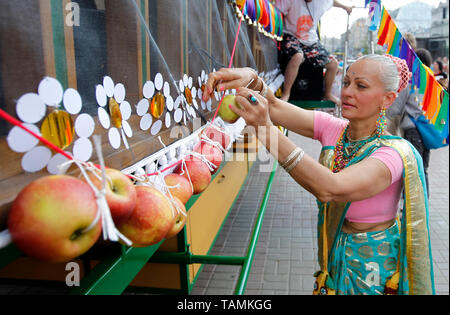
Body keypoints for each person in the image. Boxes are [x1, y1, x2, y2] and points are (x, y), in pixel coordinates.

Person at [202, 54, 435, 295]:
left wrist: (266, 130)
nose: (347, 92)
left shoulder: (393, 154)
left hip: (374, 264)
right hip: (335, 252)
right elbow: (273, 106)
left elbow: (331, 188)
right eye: (346, 83)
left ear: (388, 99)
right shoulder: (335, 130)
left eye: (361, 86)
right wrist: (252, 80)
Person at [275, 0, 352, 103]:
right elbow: (275, 11)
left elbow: (332, 2)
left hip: (311, 40)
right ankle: (286, 94)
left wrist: (345, 7)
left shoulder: (322, 2)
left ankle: (327, 94)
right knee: (297, 56)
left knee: (333, 64)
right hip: (291, 35)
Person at [386, 48, 433, 196]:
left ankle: (412, 207)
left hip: (413, 130)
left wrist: (382, 110)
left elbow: (395, 108)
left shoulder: (413, 82)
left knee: (413, 169)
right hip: (428, 130)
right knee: (423, 168)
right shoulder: (433, 82)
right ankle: (424, 203)